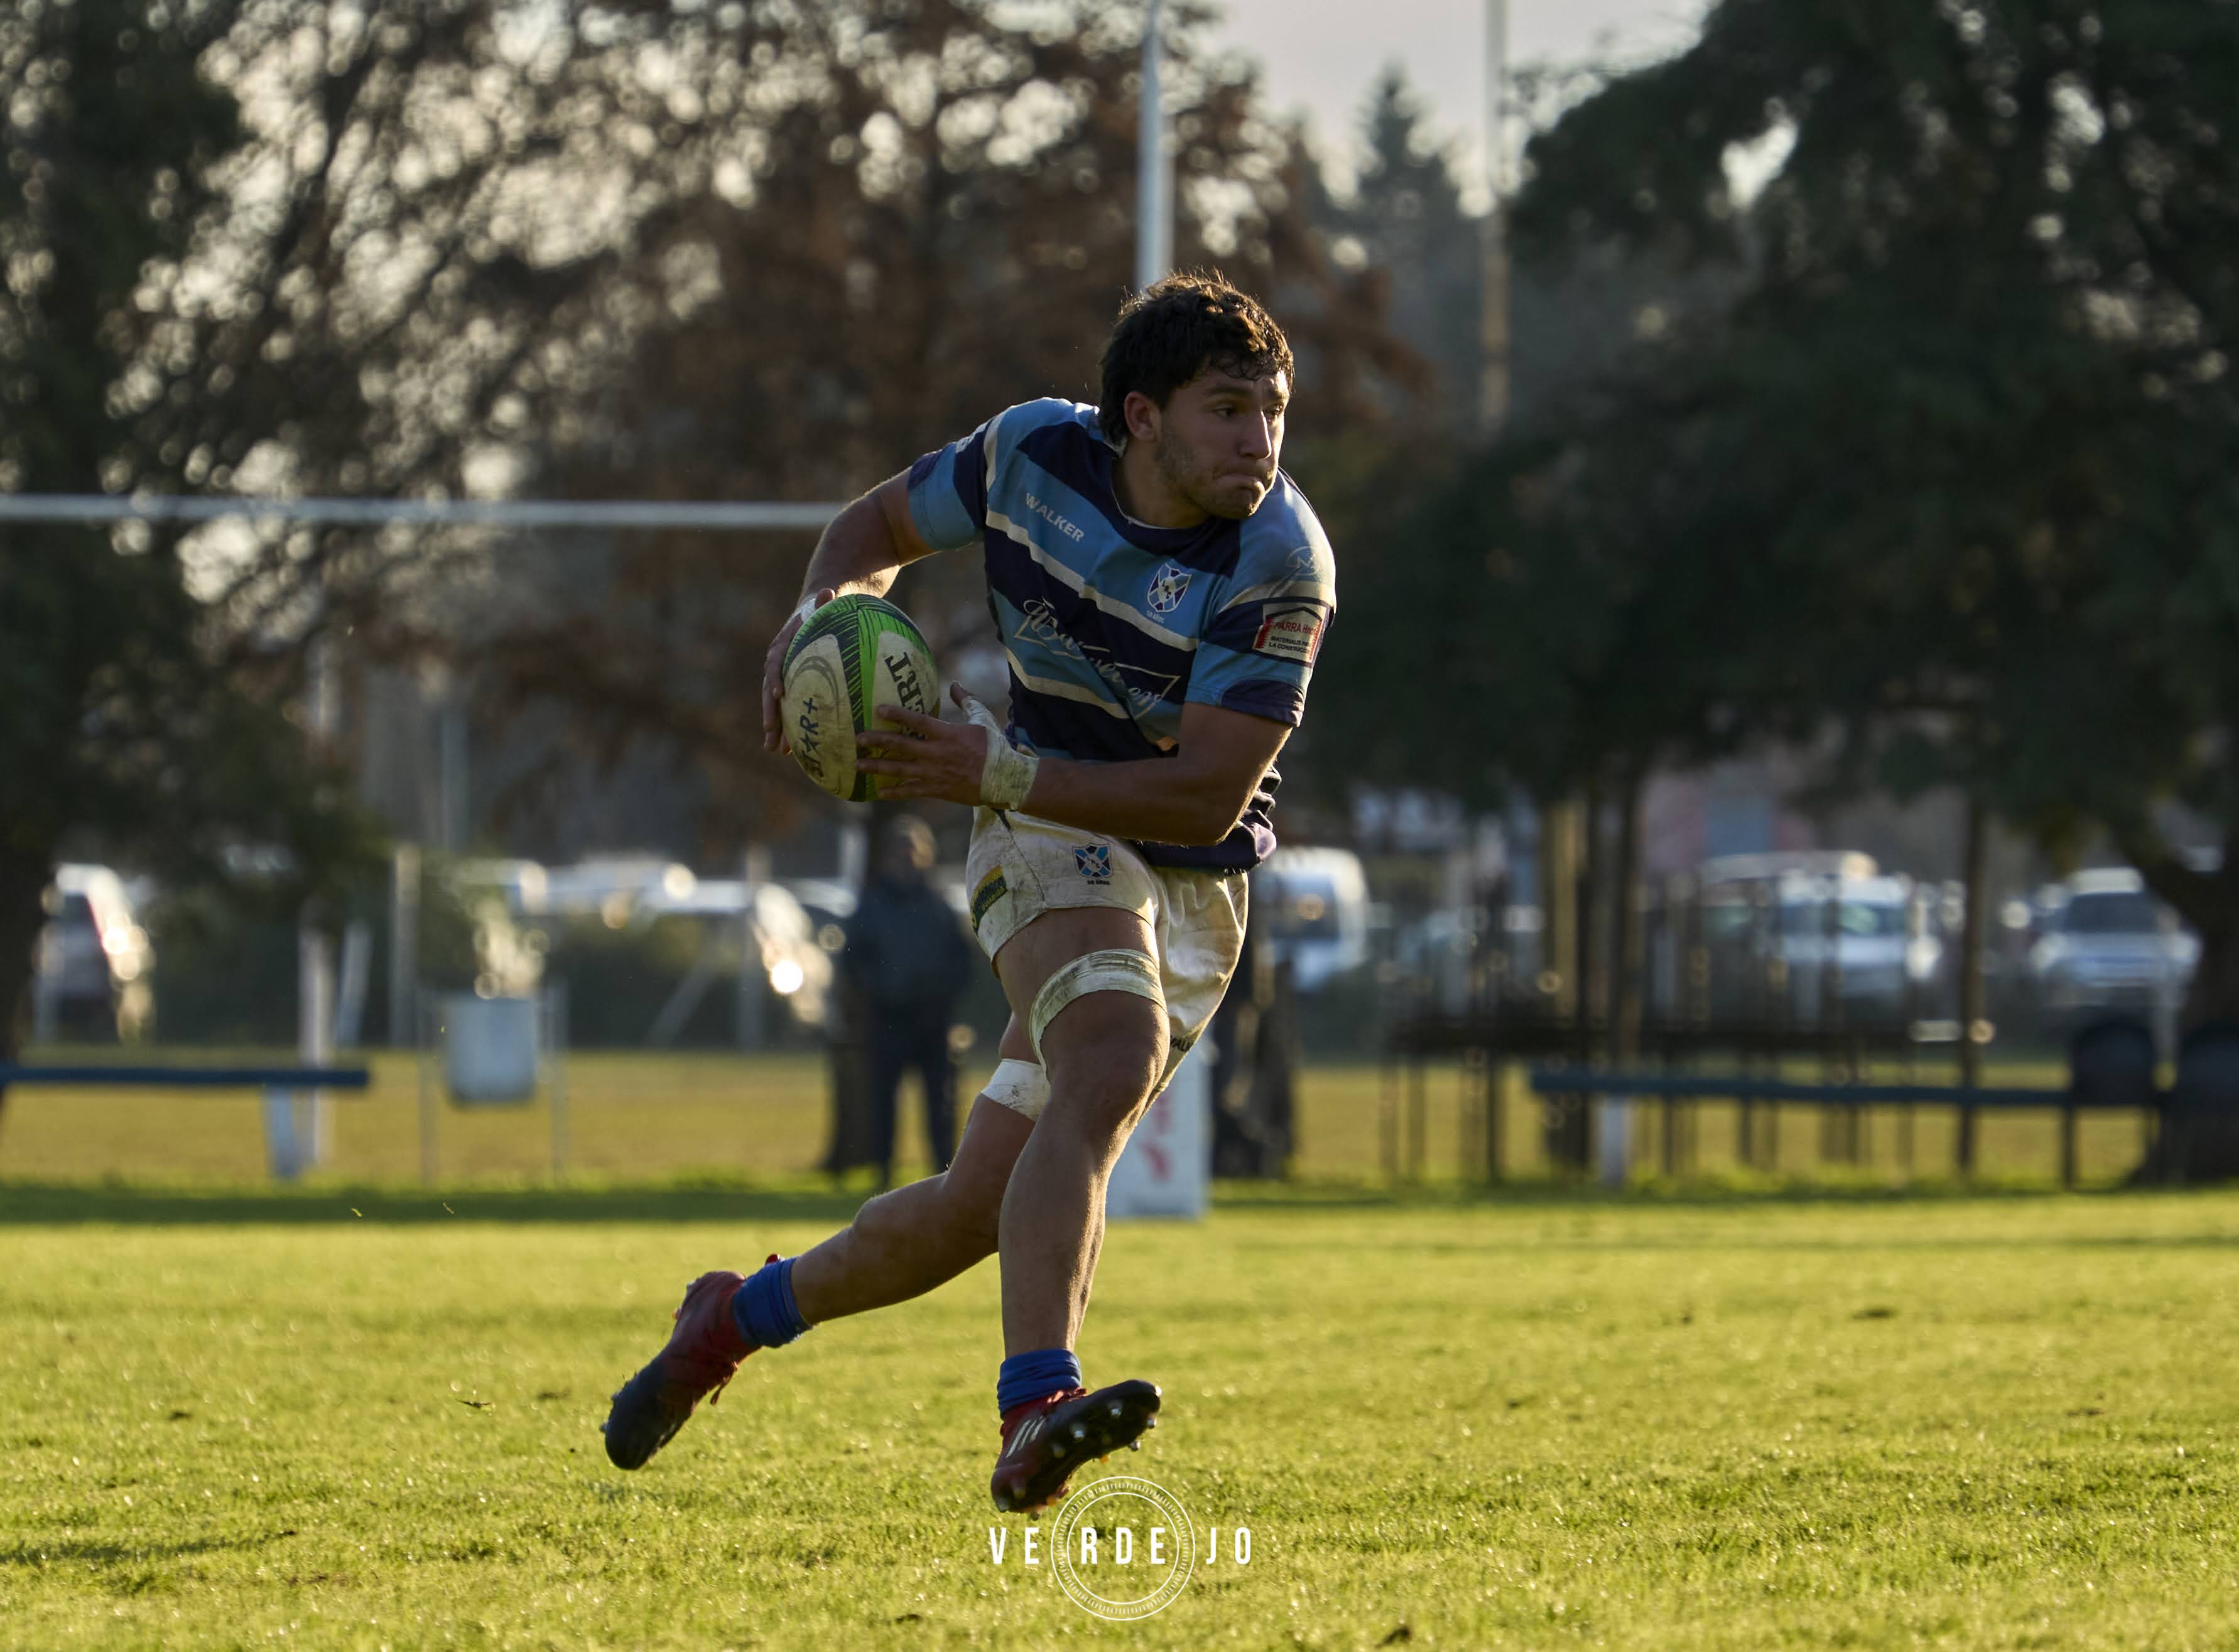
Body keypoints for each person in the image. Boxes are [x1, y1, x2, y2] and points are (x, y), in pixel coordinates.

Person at [602, 271, 1336, 1514]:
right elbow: (868, 530)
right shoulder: (1028, 453)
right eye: (1228, 409)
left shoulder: (1280, 559)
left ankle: (729, 1318)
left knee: (973, 1209)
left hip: (1182, 868)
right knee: (1113, 1053)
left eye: (1272, 411)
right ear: (1140, 416)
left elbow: (1205, 797)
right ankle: (1036, 1404)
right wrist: (819, 615)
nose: (1258, 441)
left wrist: (993, 761)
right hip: (1040, 818)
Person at [844, 814, 974, 1185]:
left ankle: (943, 1175)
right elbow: (854, 959)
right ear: (888, 857)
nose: (907, 858)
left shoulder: (940, 908)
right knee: (883, 1103)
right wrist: (879, 992)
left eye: (914, 851)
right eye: (900, 851)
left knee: (941, 1106)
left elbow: (961, 961)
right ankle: (883, 1174)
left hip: (933, 1023)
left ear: (927, 856)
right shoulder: (871, 906)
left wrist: (940, 997)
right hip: (887, 1020)